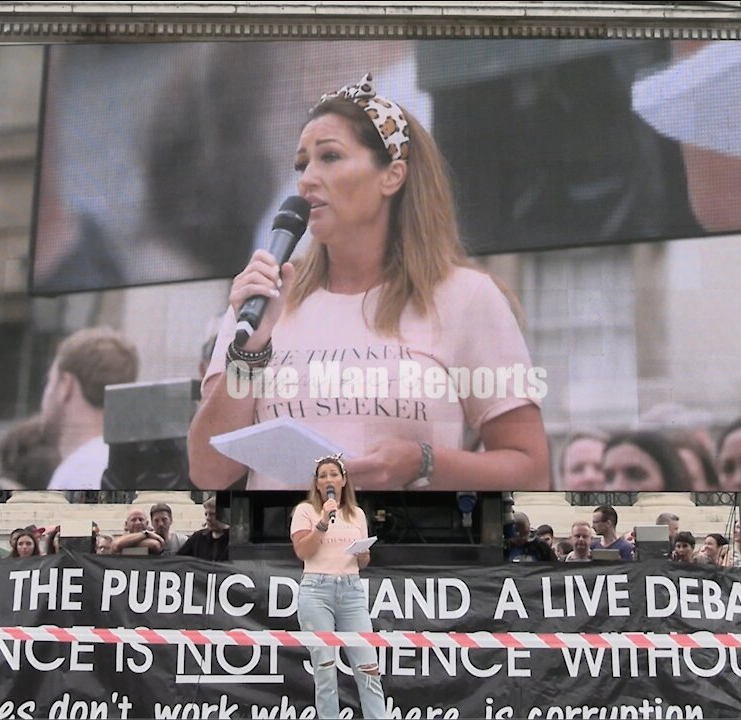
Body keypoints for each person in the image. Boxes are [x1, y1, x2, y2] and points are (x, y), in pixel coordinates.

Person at [190, 73, 550, 492]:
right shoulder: (264, 297)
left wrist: (423, 463)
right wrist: (248, 351)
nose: (306, 179)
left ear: (392, 176)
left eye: (329, 157)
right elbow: (208, 472)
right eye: (302, 164)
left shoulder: (466, 297)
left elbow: (532, 471)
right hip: (281, 551)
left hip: (406, 553)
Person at [289, 455, 385, 719]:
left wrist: (363, 555)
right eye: (323, 475)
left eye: (334, 474)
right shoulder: (305, 511)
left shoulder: (357, 514)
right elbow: (302, 551)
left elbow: (363, 561)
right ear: (317, 483)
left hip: (351, 591)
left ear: (343, 480)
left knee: (368, 668)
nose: (328, 479)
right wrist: (322, 522)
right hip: (317, 590)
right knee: (325, 668)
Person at [42, 327, 139, 491]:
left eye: (49, 382)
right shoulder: (131, 465)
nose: (46, 394)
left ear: (66, 385)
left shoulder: (78, 473)